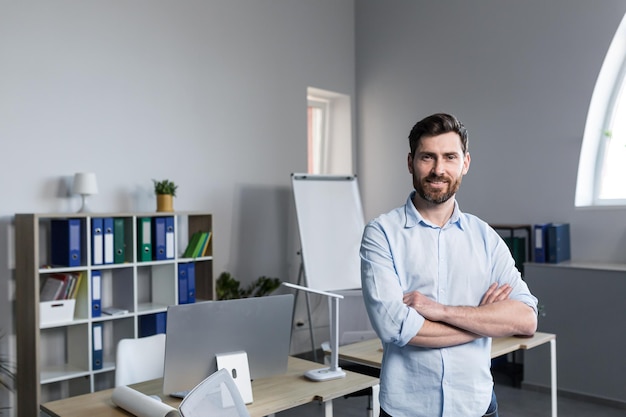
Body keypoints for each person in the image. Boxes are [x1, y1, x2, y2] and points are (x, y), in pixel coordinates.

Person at [360, 113, 538, 417]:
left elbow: (525, 319)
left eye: (449, 157)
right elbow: (395, 327)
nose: (438, 169)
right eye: (427, 157)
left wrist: (442, 311)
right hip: (407, 409)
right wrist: (484, 323)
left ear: (465, 163)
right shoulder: (381, 234)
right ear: (410, 162)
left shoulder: (485, 237)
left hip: (477, 405)